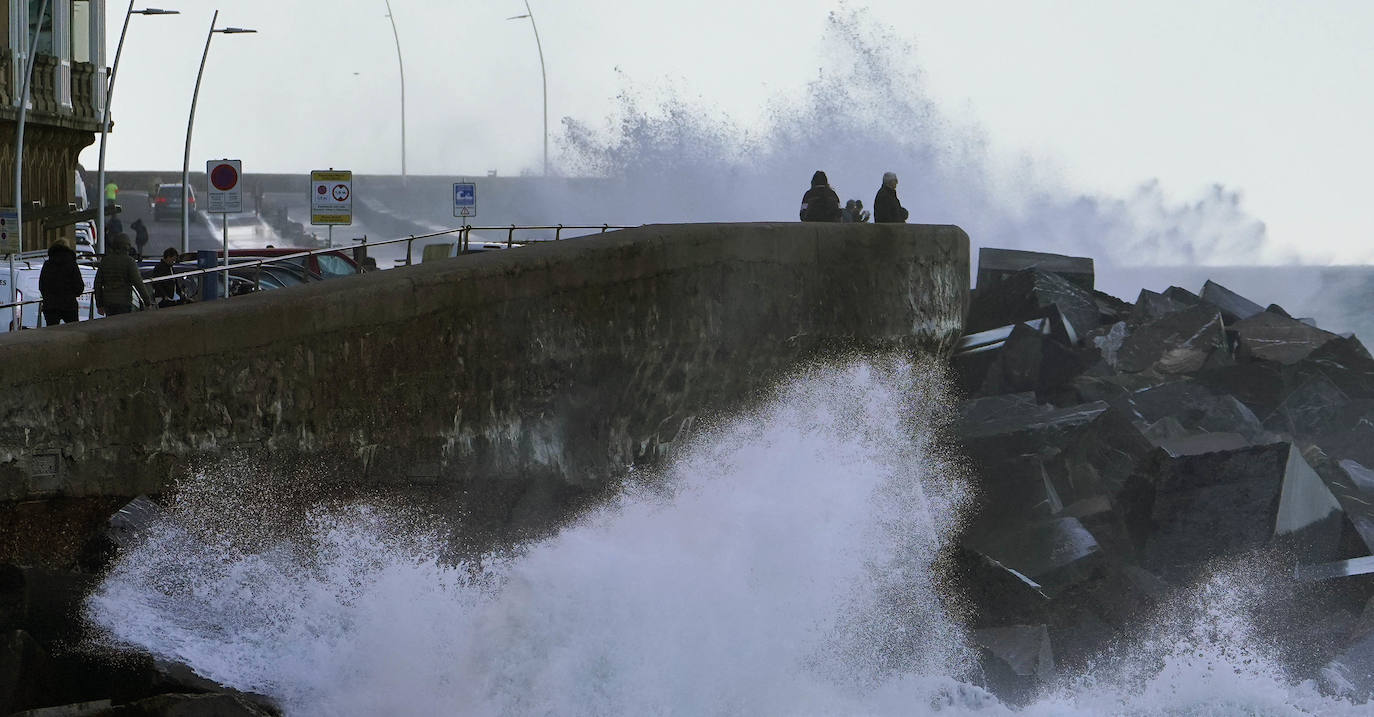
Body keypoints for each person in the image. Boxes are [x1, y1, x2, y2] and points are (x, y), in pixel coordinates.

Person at [93, 233, 153, 316]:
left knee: (111, 326)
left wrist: (99, 304)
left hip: (108, 302)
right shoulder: (129, 261)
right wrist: (147, 301)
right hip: (124, 301)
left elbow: (97, 283)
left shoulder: (105, 261)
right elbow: (138, 282)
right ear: (127, 246)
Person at [38, 238, 85, 326]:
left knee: (52, 332)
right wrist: (72, 294)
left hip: (51, 305)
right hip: (69, 304)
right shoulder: (72, 264)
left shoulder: (47, 265)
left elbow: (42, 286)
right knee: (73, 332)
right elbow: (79, 286)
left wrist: (48, 297)